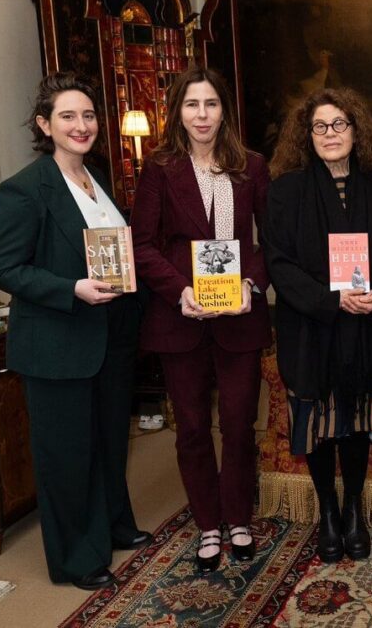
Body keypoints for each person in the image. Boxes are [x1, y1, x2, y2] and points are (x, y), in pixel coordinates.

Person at [0, 72, 151, 590]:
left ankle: (114, 527)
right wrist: (71, 288)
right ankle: (76, 558)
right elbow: (7, 271)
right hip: (57, 343)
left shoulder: (97, 179)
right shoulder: (22, 189)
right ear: (45, 125)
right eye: (67, 116)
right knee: (66, 455)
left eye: (87, 116)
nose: (81, 126)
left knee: (107, 442)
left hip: (107, 338)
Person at [131, 67, 271, 574]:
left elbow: (266, 242)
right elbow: (142, 244)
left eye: (211, 104)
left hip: (239, 320)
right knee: (191, 428)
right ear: (178, 112)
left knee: (237, 425)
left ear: (223, 110)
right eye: (192, 105)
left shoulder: (251, 166)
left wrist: (250, 286)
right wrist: (180, 291)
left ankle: (238, 519)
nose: (202, 115)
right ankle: (208, 525)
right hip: (180, 319)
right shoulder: (160, 168)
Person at [263, 88, 372, 563]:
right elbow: (278, 263)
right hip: (311, 327)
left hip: (366, 325)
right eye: (320, 126)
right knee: (320, 425)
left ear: (356, 129)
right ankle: (327, 512)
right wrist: (329, 300)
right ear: (307, 133)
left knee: (358, 421)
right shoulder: (286, 189)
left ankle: (354, 509)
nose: (330, 134)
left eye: (339, 124)